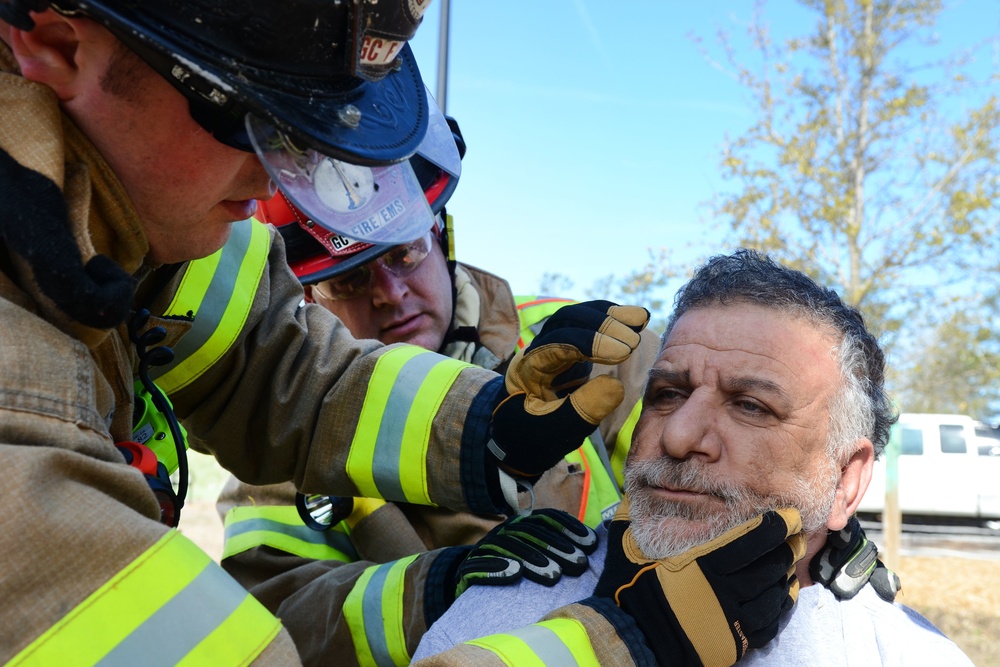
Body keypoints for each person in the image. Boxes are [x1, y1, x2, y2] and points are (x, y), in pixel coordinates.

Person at [0, 2, 651, 663]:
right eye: (255, 115)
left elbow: (279, 366)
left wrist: (488, 425)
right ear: (55, 42)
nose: (271, 178)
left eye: (301, 132)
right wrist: (612, 643)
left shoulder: (157, 214)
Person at [215, 114, 661, 665]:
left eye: (404, 250)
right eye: (348, 277)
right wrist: (436, 593)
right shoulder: (273, 443)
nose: (390, 292)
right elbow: (276, 616)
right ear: (308, 298)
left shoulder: (593, 349)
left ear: (441, 235)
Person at [412, 249, 971, 666]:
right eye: (667, 394)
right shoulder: (494, 619)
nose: (678, 436)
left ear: (847, 480)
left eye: (751, 406)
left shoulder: (905, 654)